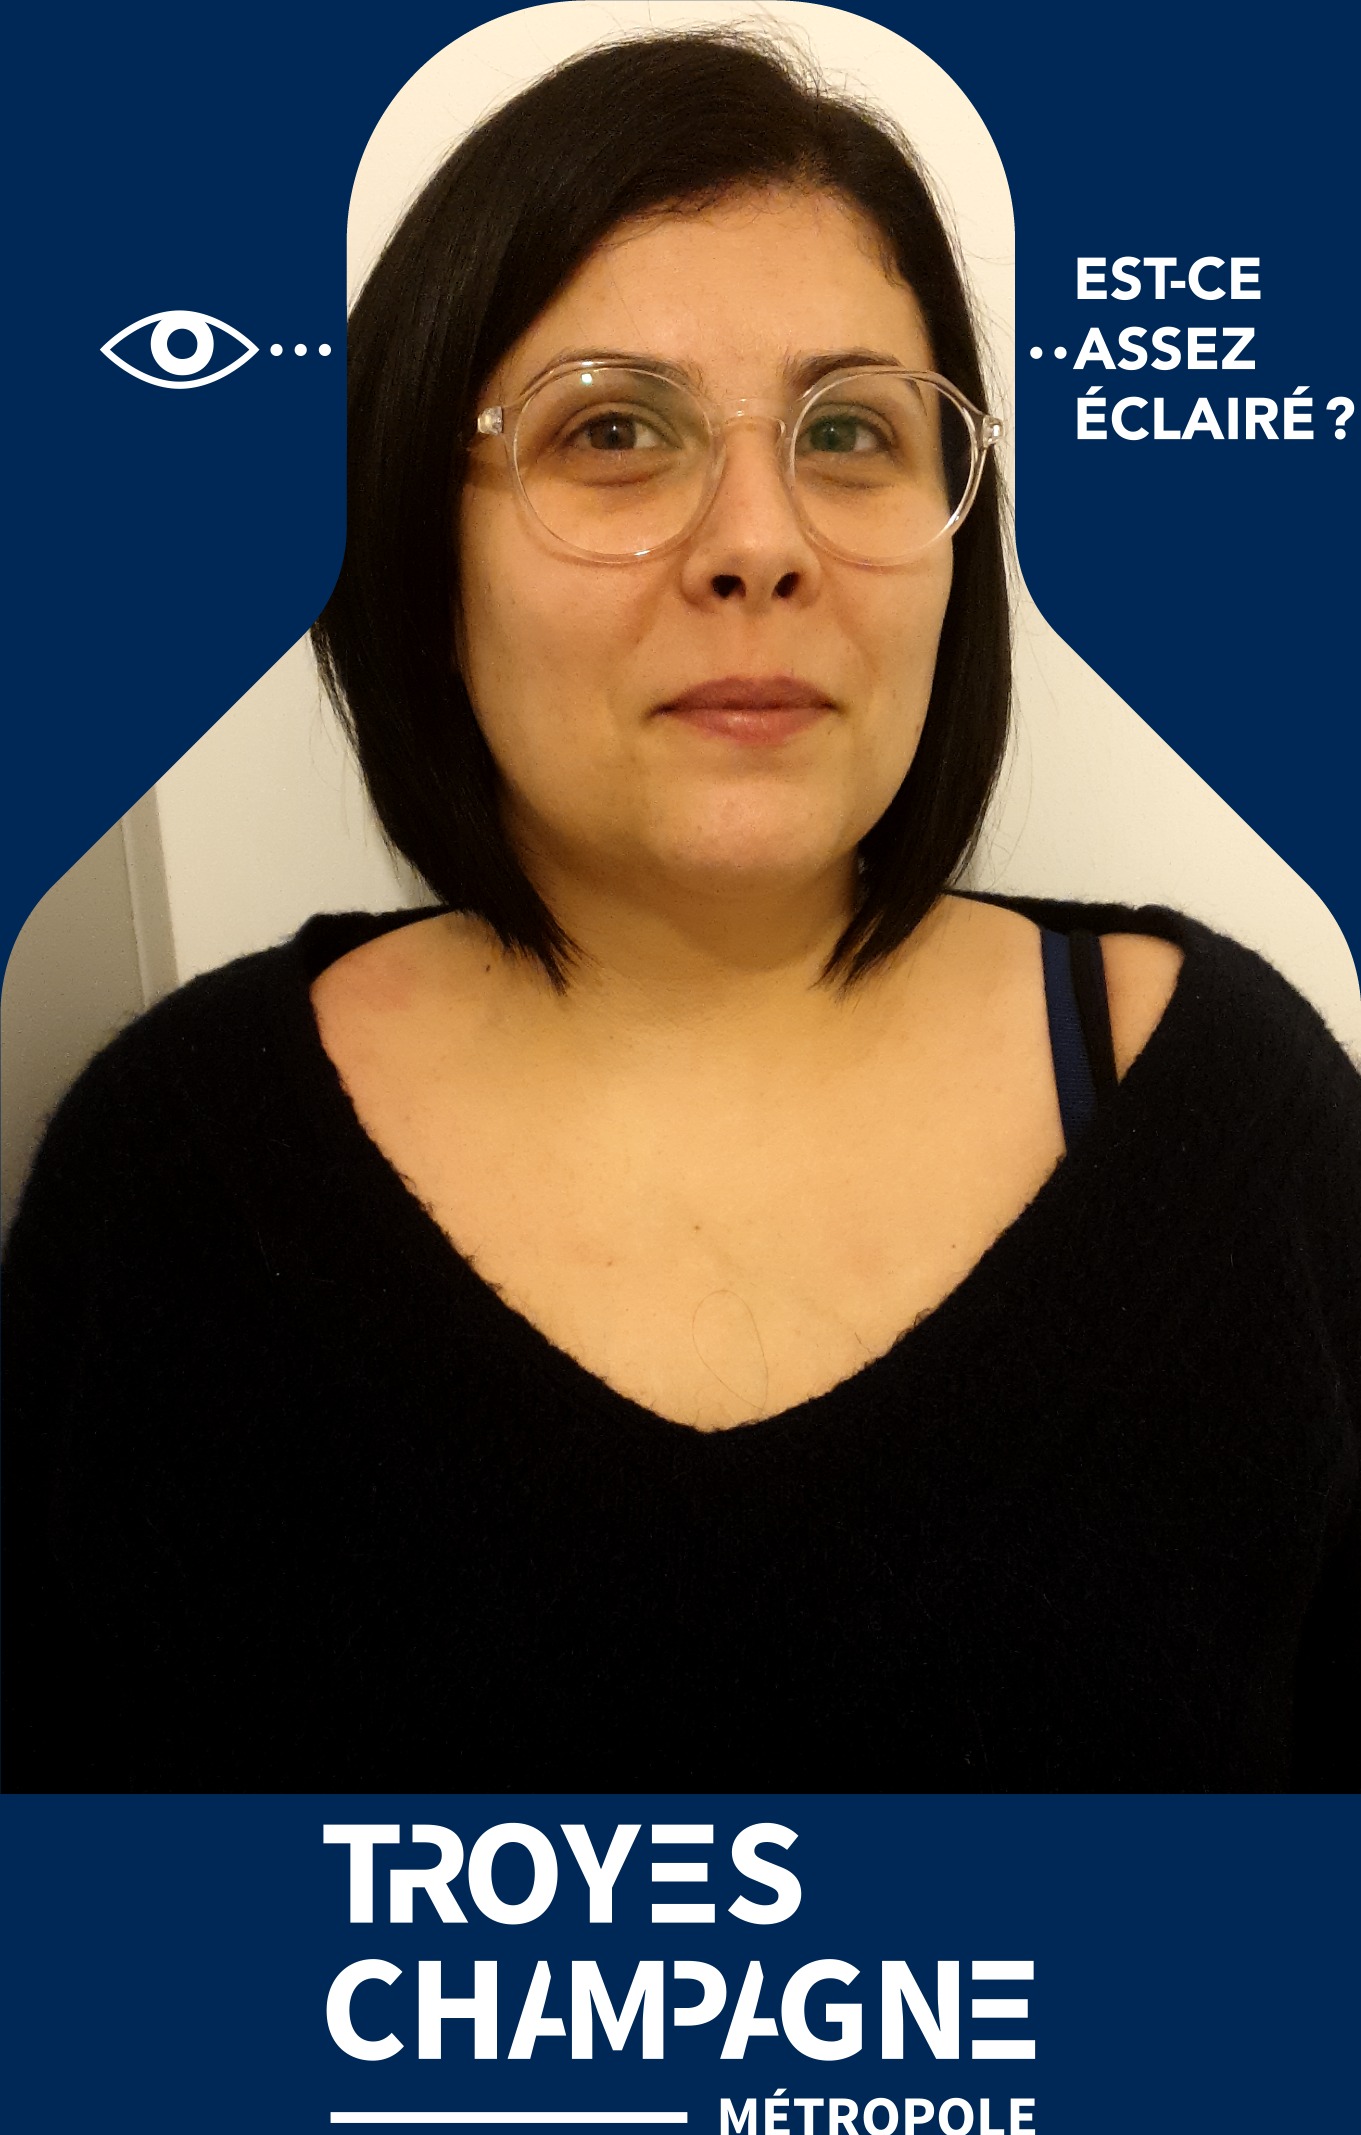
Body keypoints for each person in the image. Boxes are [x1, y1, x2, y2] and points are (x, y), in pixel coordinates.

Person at [3, 28, 1357, 1791]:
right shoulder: (163, 1177)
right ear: (411, 531)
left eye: (850, 430)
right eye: (613, 429)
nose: (757, 542)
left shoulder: (1242, 1117)